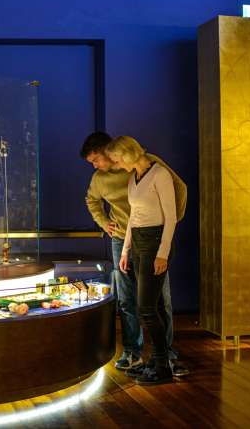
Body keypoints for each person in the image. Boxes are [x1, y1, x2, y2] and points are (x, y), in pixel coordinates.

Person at [80, 132, 189, 378]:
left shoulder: (146, 166)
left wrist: (167, 226)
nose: (95, 165)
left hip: (153, 239)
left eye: (96, 159)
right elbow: (93, 201)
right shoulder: (102, 179)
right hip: (124, 238)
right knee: (127, 299)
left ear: (111, 152)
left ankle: (166, 354)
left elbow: (178, 189)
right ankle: (133, 351)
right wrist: (104, 223)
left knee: (160, 300)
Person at [105, 135, 180, 385]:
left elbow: (171, 217)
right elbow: (133, 217)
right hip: (138, 241)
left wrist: (163, 253)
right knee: (152, 306)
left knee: (146, 308)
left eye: (117, 159)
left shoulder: (160, 174)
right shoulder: (133, 179)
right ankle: (157, 360)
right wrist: (125, 250)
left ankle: (163, 366)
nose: (116, 165)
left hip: (155, 242)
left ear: (127, 154)